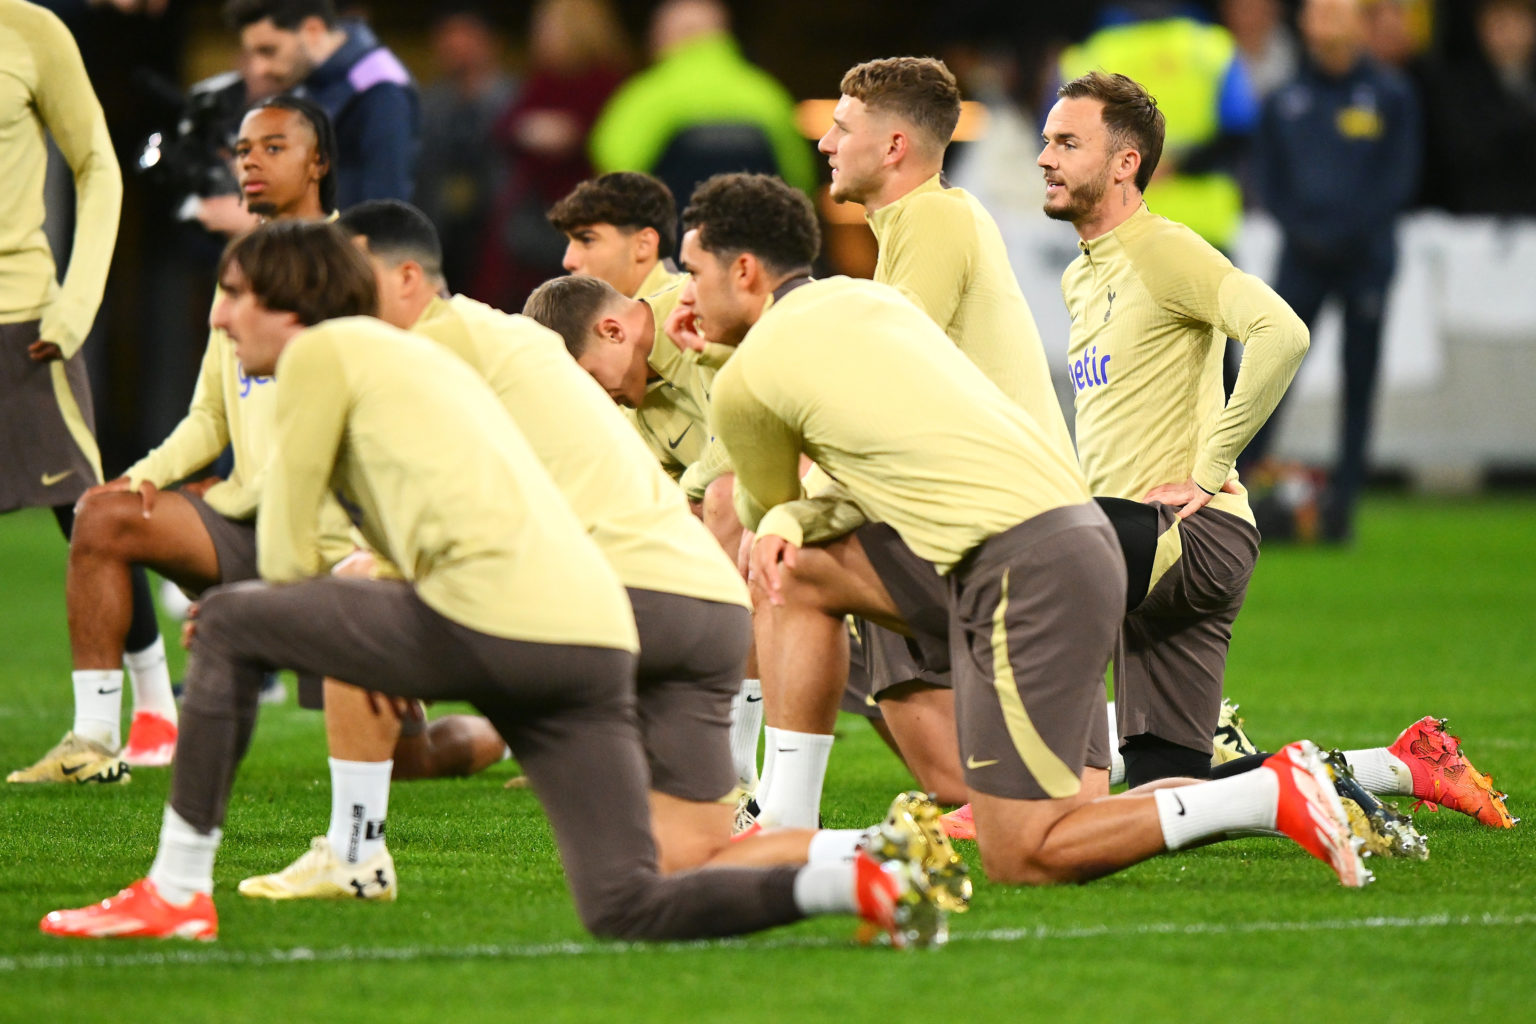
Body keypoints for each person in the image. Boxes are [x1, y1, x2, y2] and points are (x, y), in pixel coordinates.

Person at [39, 219, 952, 947]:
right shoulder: (439, 355)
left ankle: (188, 885)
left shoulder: (331, 356)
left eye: (235, 295)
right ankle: (855, 875)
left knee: (241, 622)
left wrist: (328, 611)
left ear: (294, 301)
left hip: (533, 613)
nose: (217, 317)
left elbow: (284, 559)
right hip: (593, 631)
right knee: (628, 899)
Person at [676, 171, 1367, 888]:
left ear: (745, 271)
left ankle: (1267, 790)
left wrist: (724, 368)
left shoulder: (747, 380)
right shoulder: (870, 303)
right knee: (809, 573)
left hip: (1023, 570)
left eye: (692, 272)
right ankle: (790, 822)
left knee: (1024, 852)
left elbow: (769, 522)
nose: (684, 295)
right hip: (1071, 538)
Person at [8, 97, 336, 786]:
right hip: (246, 526)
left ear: (320, 164)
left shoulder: (356, 267)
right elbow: (210, 417)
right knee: (102, 513)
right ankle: (94, 742)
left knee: (412, 759)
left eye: (273, 147)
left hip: (334, 547)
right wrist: (141, 478)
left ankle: (489, 732)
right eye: (243, 149)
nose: (250, 160)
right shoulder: (240, 263)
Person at [807, 55, 1076, 811]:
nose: (826, 142)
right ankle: (1151, 749)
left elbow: (889, 390)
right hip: (1005, 519)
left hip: (1004, 528)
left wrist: (802, 499)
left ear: (894, 148)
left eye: (842, 126)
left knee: (793, 562)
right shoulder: (923, 222)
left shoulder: (930, 218)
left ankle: (769, 807)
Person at [1, 0, 163, 783]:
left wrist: (77, 299)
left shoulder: (30, 31)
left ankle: (136, 719)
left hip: (21, 317)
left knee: (87, 514)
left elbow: (97, 161)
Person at [1243, 0, 1420, 542]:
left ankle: (1342, 507)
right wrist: (1306, 231)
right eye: (1317, 13)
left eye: (1336, 12)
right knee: (1271, 372)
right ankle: (1239, 494)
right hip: (1303, 257)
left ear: (1360, 23)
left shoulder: (1391, 94)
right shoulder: (1284, 99)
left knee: (1359, 379)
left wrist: (1345, 232)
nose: (1324, 23)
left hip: (1365, 256)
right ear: (1304, 23)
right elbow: (1267, 180)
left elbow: (1400, 177)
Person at [472, 0, 630, 312]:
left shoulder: (609, 82)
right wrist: (528, 131)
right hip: (534, 212)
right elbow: (504, 129)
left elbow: (615, 143)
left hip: (587, 210)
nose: (544, 35)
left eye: (552, 27)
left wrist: (575, 135)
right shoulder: (542, 79)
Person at [588, 0, 814, 204]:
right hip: (757, 239)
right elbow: (800, 178)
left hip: (672, 241)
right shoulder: (767, 94)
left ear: (667, 36)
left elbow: (612, 168)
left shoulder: (646, 93)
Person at [224, 0, 418, 209]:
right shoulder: (307, 79)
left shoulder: (382, 91)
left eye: (269, 51)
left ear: (313, 31)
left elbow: (385, 217)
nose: (260, 69)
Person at [414, 9, 516, 293]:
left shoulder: (515, 100)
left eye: (465, 37)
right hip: (441, 235)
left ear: (490, 42)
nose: (455, 48)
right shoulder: (430, 104)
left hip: (500, 238)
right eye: (447, 39)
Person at [547, 171, 683, 301]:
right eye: (569, 241)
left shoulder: (694, 317)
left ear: (643, 245)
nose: (568, 261)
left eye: (587, 240)